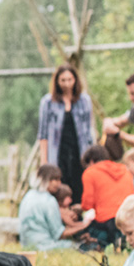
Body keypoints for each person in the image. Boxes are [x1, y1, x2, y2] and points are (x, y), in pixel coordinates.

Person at [34, 64, 94, 200]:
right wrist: (44, 161)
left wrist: (90, 158)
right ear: (57, 82)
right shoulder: (48, 102)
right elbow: (43, 134)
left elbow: (88, 132)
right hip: (58, 153)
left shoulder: (84, 101)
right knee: (58, 189)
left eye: (70, 79)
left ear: (75, 80)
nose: (67, 84)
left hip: (79, 153)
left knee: (80, 187)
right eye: (63, 80)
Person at [78, 144, 133, 250]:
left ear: (91, 161)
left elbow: (87, 204)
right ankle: (118, 241)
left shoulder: (90, 172)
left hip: (107, 220)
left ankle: (100, 243)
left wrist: (80, 208)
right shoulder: (124, 170)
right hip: (127, 217)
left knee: (86, 230)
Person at [17, 163, 82, 250]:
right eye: (56, 179)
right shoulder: (49, 200)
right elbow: (59, 234)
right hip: (44, 245)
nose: (59, 183)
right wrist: (84, 225)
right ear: (47, 180)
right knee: (74, 245)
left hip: (26, 244)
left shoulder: (28, 195)